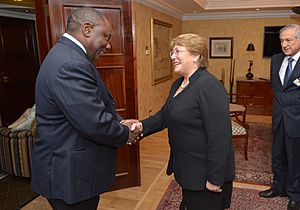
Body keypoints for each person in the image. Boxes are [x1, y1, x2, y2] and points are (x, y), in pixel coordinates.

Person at [31, 7, 139, 210]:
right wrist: (125, 133)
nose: (108, 44)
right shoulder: (70, 63)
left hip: (70, 170)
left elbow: (91, 104)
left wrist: (118, 121)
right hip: (69, 174)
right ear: (87, 29)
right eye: (106, 36)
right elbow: (93, 123)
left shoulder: (68, 55)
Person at [127, 33, 235, 210]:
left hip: (204, 173)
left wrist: (215, 179)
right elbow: (165, 115)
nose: (172, 57)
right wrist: (141, 126)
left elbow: (220, 137)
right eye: (172, 52)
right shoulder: (178, 84)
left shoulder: (209, 86)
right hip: (188, 168)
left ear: (196, 55)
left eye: (177, 51)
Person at [259, 24, 300, 210]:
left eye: (288, 40)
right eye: (282, 40)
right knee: (277, 155)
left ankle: (295, 195)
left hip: (297, 119)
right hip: (278, 116)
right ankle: (278, 188)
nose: (284, 44)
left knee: (295, 158)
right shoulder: (275, 59)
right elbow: (277, 88)